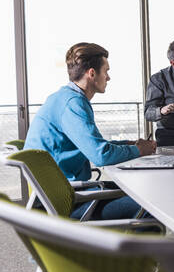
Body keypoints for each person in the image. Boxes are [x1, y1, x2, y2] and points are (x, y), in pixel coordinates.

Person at [24, 42, 156, 219]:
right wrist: (140, 150)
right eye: (106, 71)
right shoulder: (73, 104)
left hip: (63, 193)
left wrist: (130, 144)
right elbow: (100, 155)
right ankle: (124, 246)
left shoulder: (67, 98)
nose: (108, 77)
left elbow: (94, 145)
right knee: (153, 208)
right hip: (65, 202)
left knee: (142, 192)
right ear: (92, 73)